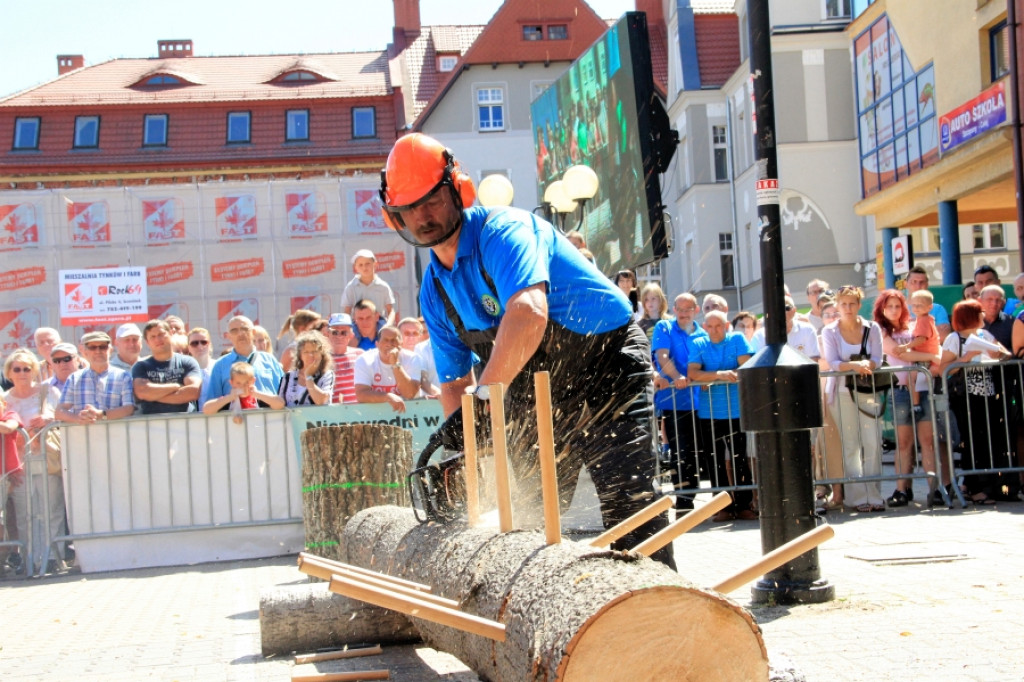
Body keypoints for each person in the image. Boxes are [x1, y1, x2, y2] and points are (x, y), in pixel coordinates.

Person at [378, 133, 674, 567]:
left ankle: (663, 605)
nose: (422, 217)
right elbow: (455, 382)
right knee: (530, 512)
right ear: (395, 217)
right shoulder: (434, 291)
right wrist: (464, 449)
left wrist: (483, 402)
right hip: (527, 383)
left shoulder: (503, 231)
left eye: (431, 202)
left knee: (631, 506)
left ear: (457, 189)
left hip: (605, 365)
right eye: (409, 209)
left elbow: (529, 313)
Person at [873, 290, 943, 507]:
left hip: (923, 386)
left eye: (898, 306)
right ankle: (902, 489)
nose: (894, 310)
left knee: (928, 441)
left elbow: (931, 342)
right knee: (904, 442)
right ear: (882, 308)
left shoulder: (914, 326)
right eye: (890, 306)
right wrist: (933, 357)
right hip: (901, 389)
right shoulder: (881, 331)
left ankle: (935, 488)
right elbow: (900, 353)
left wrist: (934, 354)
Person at [821, 285, 885, 513]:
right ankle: (857, 497)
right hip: (841, 392)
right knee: (851, 444)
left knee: (872, 442)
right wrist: (854, 365)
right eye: (843, 304)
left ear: (859, 305)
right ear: (837, 306)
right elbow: (833, 362)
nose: (848, 308)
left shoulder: (872, 328)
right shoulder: (830, 331)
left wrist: (870, 363)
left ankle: (874, 495)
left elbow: (878, 357)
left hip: (868, 390)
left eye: (852, 304)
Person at [941, 299, 1012, 504]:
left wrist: (995, 352)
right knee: (970, 442)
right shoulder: (954, 339)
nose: (983, 315)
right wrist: (965, 358)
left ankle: (975, 484)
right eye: (979, 312)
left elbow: (1005, 354)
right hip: (964, 396)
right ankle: (974, 488)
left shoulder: (985, 335)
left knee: (985, 441)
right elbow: (944, 368)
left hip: (987, 394)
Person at [687, 310, 756, 521]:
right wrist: (720, 375)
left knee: (739, 458)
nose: (715, 330)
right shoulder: (698, 343)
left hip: (735, 409)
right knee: (714, 460)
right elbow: (692, 373)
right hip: (710, 412)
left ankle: (744, 504)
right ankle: (722, 506)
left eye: (719, 326)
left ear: (726, 325)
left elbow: (745, 367)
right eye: (711, 326)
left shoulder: (737, 339)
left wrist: (709, 377)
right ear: (705, 327)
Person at [2, 349, 66, 573]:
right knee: (25, 514)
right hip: (17, 465)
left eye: (27, 368)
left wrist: (51, 418)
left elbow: (64, 414)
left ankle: (52, 558)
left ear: (34, 370)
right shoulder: (4, 399)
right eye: (17, 369)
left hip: (46, 457)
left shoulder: (49, 391)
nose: (22, 373)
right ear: (9, 372)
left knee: (52, 509)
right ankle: (31, 559)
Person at [201, 316, 283, 409]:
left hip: (270, 421)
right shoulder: (220, 365)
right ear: (228, 336)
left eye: (244, 329)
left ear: (253, 333)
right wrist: (230, 397)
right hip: (234, 422)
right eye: (234, 331)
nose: (240, 333)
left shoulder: (270, 360)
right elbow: (210, 405)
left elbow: (284, 396)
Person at [54, 331, 135, 424]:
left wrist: (102, 415)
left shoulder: (124, 376)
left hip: (115, 436)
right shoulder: (74, 378)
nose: (98, 351)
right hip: (83, 436)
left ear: (110, 350)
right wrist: (78, 418)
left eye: (102, 347)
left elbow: (129, 409)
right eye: (92, 347)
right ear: (85, 352)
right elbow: (59, 412)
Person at [132, 320, 202, 414]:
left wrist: (153, 396)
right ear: (147, 342)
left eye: (161, 334)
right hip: (150, 426)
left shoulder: (187, 362)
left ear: (171, 333)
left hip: (184, 423)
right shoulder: (141, 366)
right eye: (153, 337)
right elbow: (141, 392)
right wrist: (175, 386)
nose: (158, 339)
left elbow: (194, 391)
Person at [353, 326, 422, 413]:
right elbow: (361, 394)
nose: (389, 344)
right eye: (385, 340)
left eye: (394, 340)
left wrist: (395, 363)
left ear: (401, 344)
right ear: (377, 344)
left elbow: (409, 394)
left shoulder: (413, 358)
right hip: (375, 415)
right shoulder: (364, 360)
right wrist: (387, 397)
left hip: (408, 414)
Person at [900, 289, 941, 415]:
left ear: (930, 307)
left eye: (920, 305)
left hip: (925, 359)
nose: (916, 308)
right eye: (914, 305)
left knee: (910, 379)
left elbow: (921, 339)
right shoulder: (924, 319)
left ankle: (916, 405)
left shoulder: (924, 320)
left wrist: (906, 346)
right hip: (927, 358)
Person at [202, 362, 281, 421]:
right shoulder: (228, 401)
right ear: (231, 383)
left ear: (253, 381)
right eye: (238, 383)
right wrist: (229, 397)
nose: (243, 386)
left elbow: (280, 404)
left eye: (247, 382)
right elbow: (206, 409)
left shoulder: (259, 399)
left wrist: (258, 394)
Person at [750, 295, 818, 360]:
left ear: (794, 310)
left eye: (786, 308)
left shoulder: (807, 330)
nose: (781, 311)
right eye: (776, 308)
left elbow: (813, 361)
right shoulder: (759, 336)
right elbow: (758, 365)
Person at [0, 393, 24, 573]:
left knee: (17, 519)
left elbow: (9, 428)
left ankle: (14, 556)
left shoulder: (10, 415)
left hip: (10, 476)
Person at [342, 250, 397, 327]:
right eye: (360, 265)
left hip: (379, 324)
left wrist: (388, 326)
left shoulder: (383, 286)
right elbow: (347, 311)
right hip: (357, 325)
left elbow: (390, 310)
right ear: (356, 268)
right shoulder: (351, 287)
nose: (364, 267)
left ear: (375, 264)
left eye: (367, 264)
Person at [278, 331, 334, 406]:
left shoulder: (327, 375)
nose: (310, 355)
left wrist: (308, 376)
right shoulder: (288, 377)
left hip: (319, 417)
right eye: (306, 352)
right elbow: (280, 404)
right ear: (300, 355)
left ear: (322, 354)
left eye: (315, 351)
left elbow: (320, 400)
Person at [325, 313, 363, 404]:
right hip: (332, 413)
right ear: (327, 334)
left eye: (344, 332)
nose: (339, 336)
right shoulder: (322, 358)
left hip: (358, 413)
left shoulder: (360, 355)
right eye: (335, 332)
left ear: (351, 335)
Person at [398, 317, 440, 397]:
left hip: (427, 404)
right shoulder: (391, 355)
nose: (411, 337)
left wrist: (439, 395)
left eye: (415, 333)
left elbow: (423, 380)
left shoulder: (430, 352)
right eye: (407, 333)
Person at [905, 265, 951, 340]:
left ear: (927, 285)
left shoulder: (938, 309)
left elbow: (943, 335)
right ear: (906, 284)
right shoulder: (898, 308)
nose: (918, 286)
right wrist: (931, 330)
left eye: (922, 282)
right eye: (914, 282)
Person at [979, 284, 1013, 349]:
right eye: (990, 299)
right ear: (980, 301)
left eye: (998, 300)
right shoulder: (971, 323)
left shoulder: (1012, 323)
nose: (994, 303)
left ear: (1003, 303)